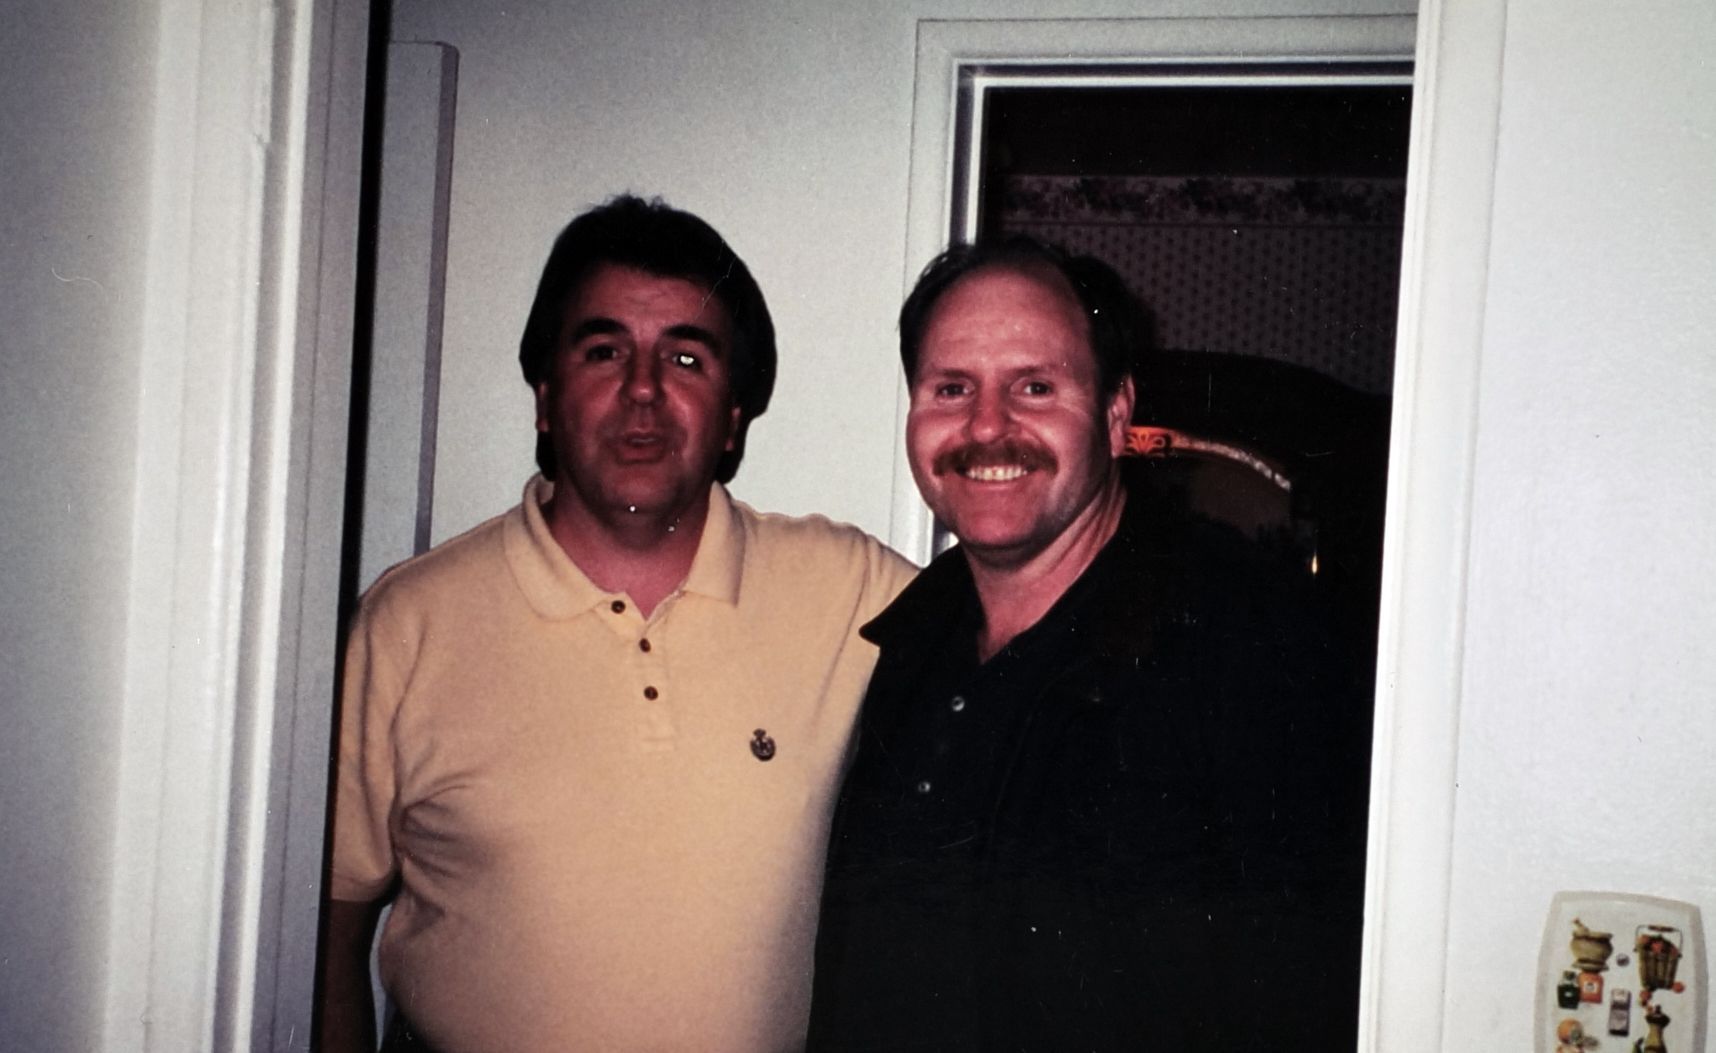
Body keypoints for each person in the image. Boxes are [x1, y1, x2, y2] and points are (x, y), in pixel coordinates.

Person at [318, 195, 914, 1053]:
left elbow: (1025, 626)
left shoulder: (849, 588)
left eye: (686, 357)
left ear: (733, 416)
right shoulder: (407, 624)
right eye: (604, 351)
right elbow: (325, 930)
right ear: (545, 399)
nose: (643, 389)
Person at [807, 237, 1370, 1051]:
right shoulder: (906, 640)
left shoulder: (1251, 645)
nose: (987, 425)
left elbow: (1308, 992)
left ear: (1113, 415)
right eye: (952, 387)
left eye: (1034, 386)